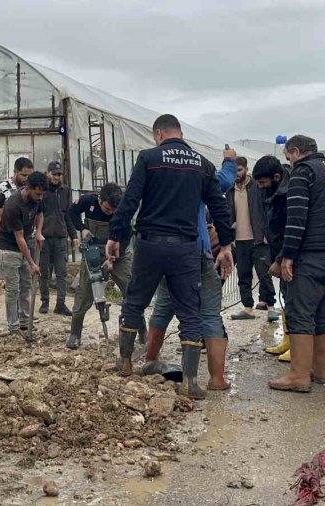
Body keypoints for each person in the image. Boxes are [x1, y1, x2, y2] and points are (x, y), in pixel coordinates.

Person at [107, 114, 234, 400]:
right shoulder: (202, 165)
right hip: (186, 249)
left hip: (150, 245)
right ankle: (190, 382)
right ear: (179, 132)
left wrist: (115, 236)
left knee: (135, 302)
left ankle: (126, 362)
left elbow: (130, 200)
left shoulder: (149, 158)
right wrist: (225, 244)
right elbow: (219, 207)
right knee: (190, 312)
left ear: (159, 134)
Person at [143, 147, 237, 391]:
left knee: (163, 307)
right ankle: (215, 379)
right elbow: (224, 181)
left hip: (166, 252)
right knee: (208, 315)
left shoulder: (152, 177)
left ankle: (150, 360)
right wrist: (229, 161)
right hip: (198, 253)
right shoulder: (199, 177)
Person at [268, 135, 325, 393]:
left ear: (297, 151)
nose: (287, 162)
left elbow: (297, 216)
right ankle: (320, 371)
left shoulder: (303, 172)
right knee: (324, 314)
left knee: (300, 314)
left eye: (288, 156)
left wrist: (287, 255)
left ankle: (299, 376)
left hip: (310, 256)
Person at [66, 183, 139, 349]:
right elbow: (71, 212)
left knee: (131, 291)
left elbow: (127, 235)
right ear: (100, 199)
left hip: (118, 252)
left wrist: (112, 259)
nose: (111, 213)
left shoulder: (124, 207)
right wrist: (82, 229)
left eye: (113, 210)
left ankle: (142, 334)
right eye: (107, 209)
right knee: (84, 294)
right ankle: (75, 334)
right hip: (93, 251)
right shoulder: (88, 201)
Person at [228, 155, 279, 322]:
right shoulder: (230, 190)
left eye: (239, 170)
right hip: (240, 239)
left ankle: (271, 306)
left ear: (246, 169)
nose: (236, 173)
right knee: (243, 275)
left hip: (259, 238)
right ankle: (248, 307)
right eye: (234, 170)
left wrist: (266, 234)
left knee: (264, 273)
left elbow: (268, 209)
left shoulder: (258, 187)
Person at [0, 171, 47, 340]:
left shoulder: (36, 199)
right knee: (13, 289)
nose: (40, 198)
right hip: (9, 248)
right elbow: (19, 239)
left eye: (42, 194)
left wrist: (39, 232)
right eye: (38, 194)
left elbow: (40, 214)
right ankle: (13, 328)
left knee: (26, 285)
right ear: (28, 188)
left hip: (25, 243)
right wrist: (32, 263)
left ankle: (25, 321)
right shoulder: (13, 205)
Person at [252, 156, 293, 357]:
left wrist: (280, 259)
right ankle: (288, 339)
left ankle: (297, 348)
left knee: (294, 300)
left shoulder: (289, 192)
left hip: (292, 255)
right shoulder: (272, 191)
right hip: (279, 249)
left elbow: (291, 230)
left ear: (276, 177)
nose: (260, 187)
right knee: (285, 296)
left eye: (262, 183)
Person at [38, 161, 77, 316]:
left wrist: (73, 235)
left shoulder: (65, 190)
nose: (56, 177)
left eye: (59, 174)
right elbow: (36, 213)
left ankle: (60, 304)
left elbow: (68, 214)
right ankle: (45, 302)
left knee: (61, 272)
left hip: (60, 238)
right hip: (44, 238)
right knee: (44, 272)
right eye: (54, 174)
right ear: (48, 174)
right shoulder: (42, 190)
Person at [0, 157, 34, 235]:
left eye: (30, 176)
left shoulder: (31, 188)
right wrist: (0, 239)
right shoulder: (2, 190)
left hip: (29, 237)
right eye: (24, 175)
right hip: (9, 239)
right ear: (15, 172)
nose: (27, 178)